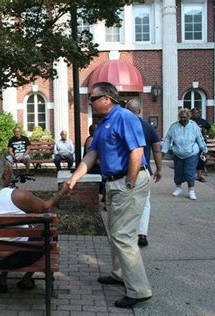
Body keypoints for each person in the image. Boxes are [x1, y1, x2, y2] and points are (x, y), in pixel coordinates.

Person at [63, 82, 152, 309]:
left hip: (128, 181)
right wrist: (74, 178)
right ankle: (118, 274)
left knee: (123, 235)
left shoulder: (125, 117)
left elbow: (137, 150)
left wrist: (129, 183)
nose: (89, 102)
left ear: (107, 99)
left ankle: (139, 290)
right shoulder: (102, 125)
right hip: (113, 183)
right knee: (115, 232)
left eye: (93, 98)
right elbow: (91, 156)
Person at [0, 155, 68, 293]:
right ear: (5, 175)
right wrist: (62, 192)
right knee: (48, 231)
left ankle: (2, 279)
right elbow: (45, 207)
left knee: (13, 236)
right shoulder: (17, 195)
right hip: (13, 259)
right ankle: (26, 279)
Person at [126, 98, 162, 247]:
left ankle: (129, 233)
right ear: (139, 111)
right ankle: (142, 234)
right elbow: (157, 149)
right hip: (143, 170)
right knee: (145, 203)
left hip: (125, 171)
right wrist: (159, 169)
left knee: (128, 203)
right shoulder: (148, 127)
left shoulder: (123, 126)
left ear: (126, 110)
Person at [161, 108, 207, 200]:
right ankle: (178, 188)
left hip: (192, 153)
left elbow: (200, 138)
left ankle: (191, 190)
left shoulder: (194, 126)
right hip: (178, 153)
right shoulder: (174, 127)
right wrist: (163, 151)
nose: (182, 119)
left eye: (184, 117)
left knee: (189, 172)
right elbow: (167, 139)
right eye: (181, 117)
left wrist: (204, 149)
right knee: (178, 172)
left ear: (188, 117)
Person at [191, 108, 211, 182]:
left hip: (201, 143)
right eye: (195, 113)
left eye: (198, 113)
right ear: (191, 114)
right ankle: (191, 175)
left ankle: (199, 176)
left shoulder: (203, 121)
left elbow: (209, 127)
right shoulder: (189, 121)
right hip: (192, 143)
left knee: (202, 159)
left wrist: (207, 135)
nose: (196, 114)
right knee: (192, 158)